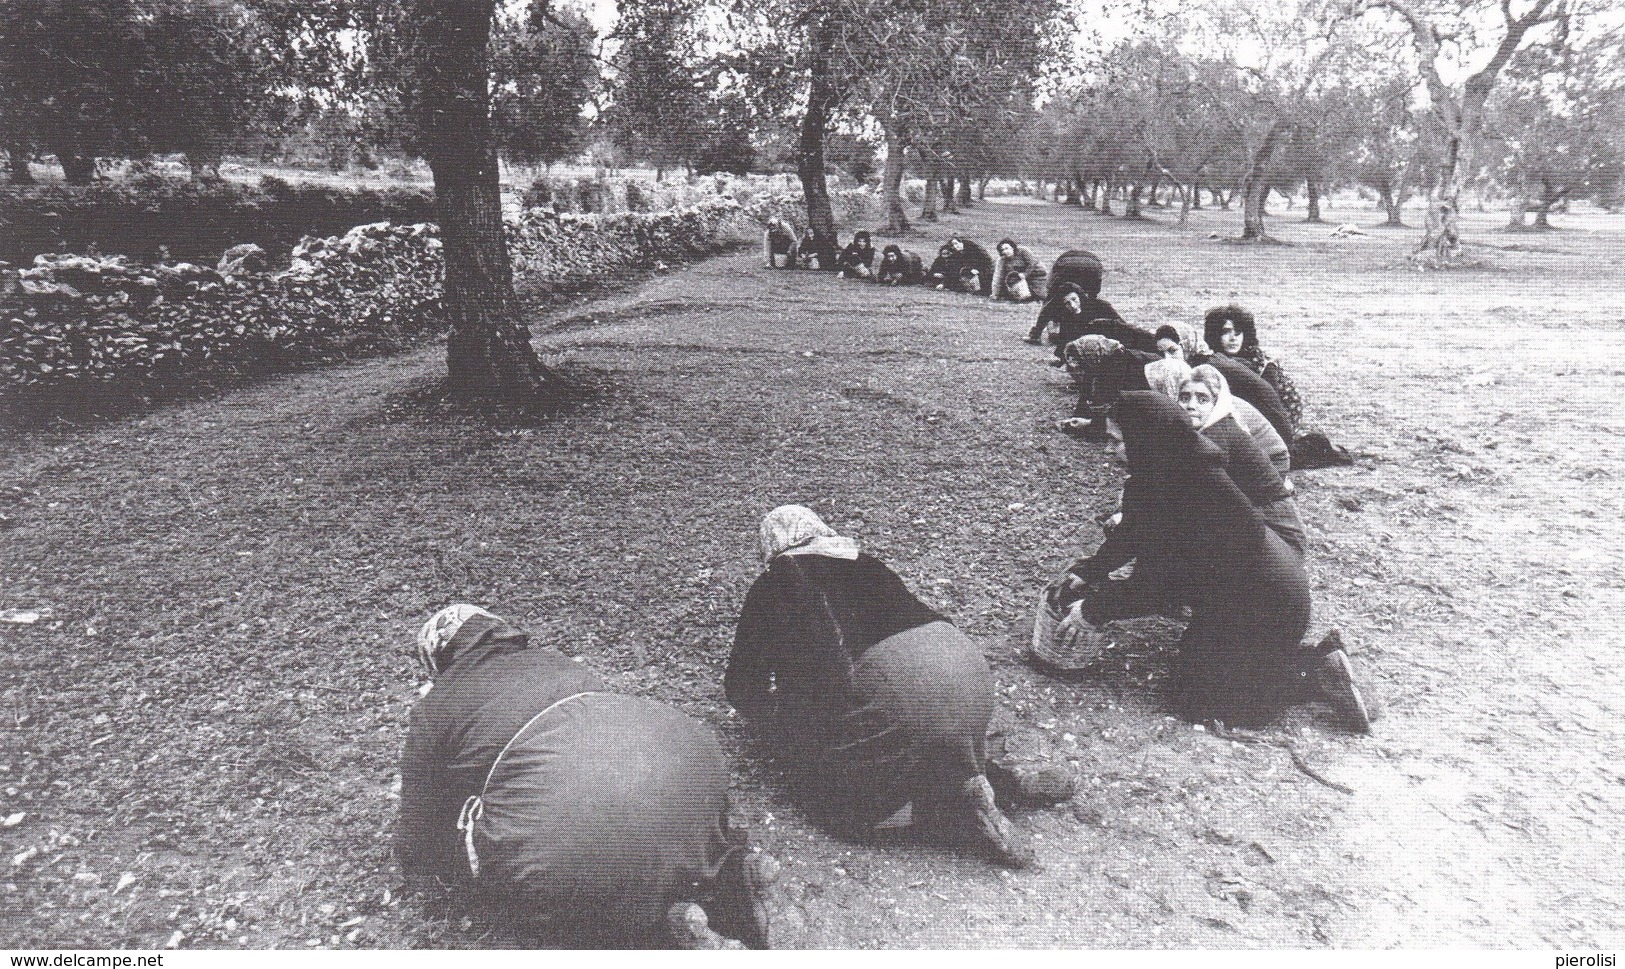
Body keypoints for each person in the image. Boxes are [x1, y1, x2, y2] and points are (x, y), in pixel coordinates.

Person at [399, 605, 771, 949]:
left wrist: (448, 867)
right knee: (649, 823)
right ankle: (731, 874)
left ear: (437, 658)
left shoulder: (435, 710)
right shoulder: (555, 663)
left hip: (581, 821)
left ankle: (662, 935)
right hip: (690, 761)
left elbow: (420, 833)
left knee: (556, 877)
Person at [726, 505, 1037, 868]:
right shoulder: (867, 563)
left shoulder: (774, 584)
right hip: (965, 669)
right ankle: (999, 780)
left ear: (770, 550)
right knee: (926, 735)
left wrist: (786, 734)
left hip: (898, 690)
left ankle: (948, 812)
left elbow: (743, 687)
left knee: (839, 807)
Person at [1051, 394, 1373, 731]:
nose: (1109, 450)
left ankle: (1314, 673)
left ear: (1145, 440)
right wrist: (1090, 571)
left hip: (1265, 606)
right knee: (1195, 674)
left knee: (1200, 703)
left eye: (1117, 441)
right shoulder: (1174, 469)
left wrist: (1093, 610)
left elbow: (1160, 588)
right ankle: (1291, 661)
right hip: (1242, 596)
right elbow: (1136, 529)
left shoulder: (1191, 490)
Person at [1204, 305, 1353, 468]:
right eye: (1226, 332)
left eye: (1238, 332)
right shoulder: (1214, 361)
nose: (1233, 338)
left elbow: (1273, 410)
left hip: (1274, 425)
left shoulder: (1262, 365)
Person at [1178, 366, 1304, 553]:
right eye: (1185, 397)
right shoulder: (1208, 431)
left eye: (1202, 399)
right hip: (1255, 522)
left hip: (1277, 531)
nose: (1191, 405)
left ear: (1216, 404)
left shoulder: (1217, 435)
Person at [926, 236, 994, 295]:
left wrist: (974, 269)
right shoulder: (957, 254)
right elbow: (955, 268)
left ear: (961, 242)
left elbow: (986, 262)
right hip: (968, 271)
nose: (955, 246)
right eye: (953, 245)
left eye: (956, 243)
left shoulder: (975, 250)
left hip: (984, 270)